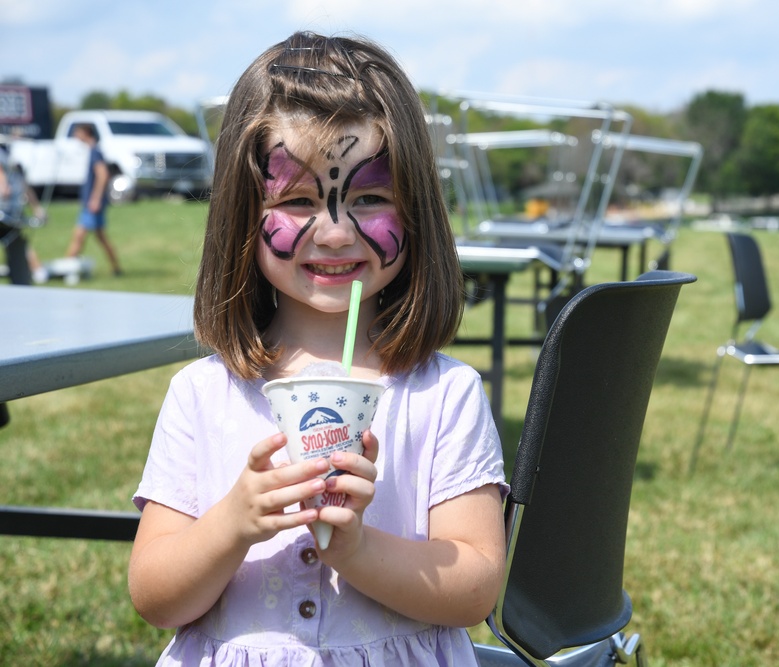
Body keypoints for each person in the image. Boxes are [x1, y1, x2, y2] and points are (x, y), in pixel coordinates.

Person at [128, 32, 507, 666]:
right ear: (243, 217)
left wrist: (357, 550)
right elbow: (154, 595)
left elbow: (474, 588)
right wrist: (233, 523)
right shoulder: (202, 395)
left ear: (416, 210)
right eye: (298, 200)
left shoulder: (443, 395)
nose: (335, 231)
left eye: (369, 198)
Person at [64, 122, 122, 275]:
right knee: (100, 237)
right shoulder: (93, 150)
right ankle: (116, 268)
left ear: (85, 132)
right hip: (92, 203)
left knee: (79, 236)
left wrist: (95, 198)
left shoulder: (95, 151)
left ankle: (65, 269)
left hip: (92, 204)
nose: (75, 136)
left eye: (77, 132)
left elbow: (103, 175)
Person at [0, 144, 47, 284]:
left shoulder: (6, 158)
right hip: (10, 212)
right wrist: (37, 208)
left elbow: (13, 185)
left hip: (8, 213)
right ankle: (33, 274)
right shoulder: (8, 158)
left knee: (17, 244)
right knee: (17, 244)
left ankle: (34, 273)